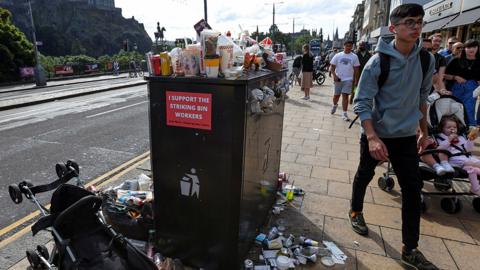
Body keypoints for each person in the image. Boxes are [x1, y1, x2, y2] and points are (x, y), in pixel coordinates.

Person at [351, 4, 438, 270]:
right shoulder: (379, 61)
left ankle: (409, 249)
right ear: (393, 28)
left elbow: (422, 99)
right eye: (409, 22)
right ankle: (356, 211)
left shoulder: (426, 59)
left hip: (405, 137)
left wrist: (424, 131)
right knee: (365, 173)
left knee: (412, 190)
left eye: (419, 22)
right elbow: (362, 101)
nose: (415, 27)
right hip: (378, 134)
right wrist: (373, 137)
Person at [436, 115, 480, 195]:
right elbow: (440, 148)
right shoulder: (441, 138)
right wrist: (449, 140)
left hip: (466, 158)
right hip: (454, 160)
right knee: (474, 163)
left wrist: (470, 140)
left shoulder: (461, 138)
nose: (452, 129)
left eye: (454, 127)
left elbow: (468, 149)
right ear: (442, 128)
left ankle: (475, 188)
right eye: (448, 127)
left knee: (473, 169)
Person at [444, 39, 480, 126]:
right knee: (453, 109)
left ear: (478, 48)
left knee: (469, 110)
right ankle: (451, 130)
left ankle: (469, 131)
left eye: (474, 47)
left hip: (471, 90)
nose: (472, 49)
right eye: (469, 47)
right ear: (464, 49)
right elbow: (443, 75)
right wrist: (455, 77)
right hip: (455, 88)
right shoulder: (456, 60)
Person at [330, 40, 360, 121]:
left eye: (350, 46)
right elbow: (332, 67)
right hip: (338, 79)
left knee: (345, 95)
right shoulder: (338, 55)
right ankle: (335, 105)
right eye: (347, 46)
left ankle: (344, 113)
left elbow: (356, 69)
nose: (348, 47)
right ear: (344, 46)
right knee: (336, 96)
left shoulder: (354, 57)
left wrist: (357, 80)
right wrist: (334, 75)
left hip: (348, 79)